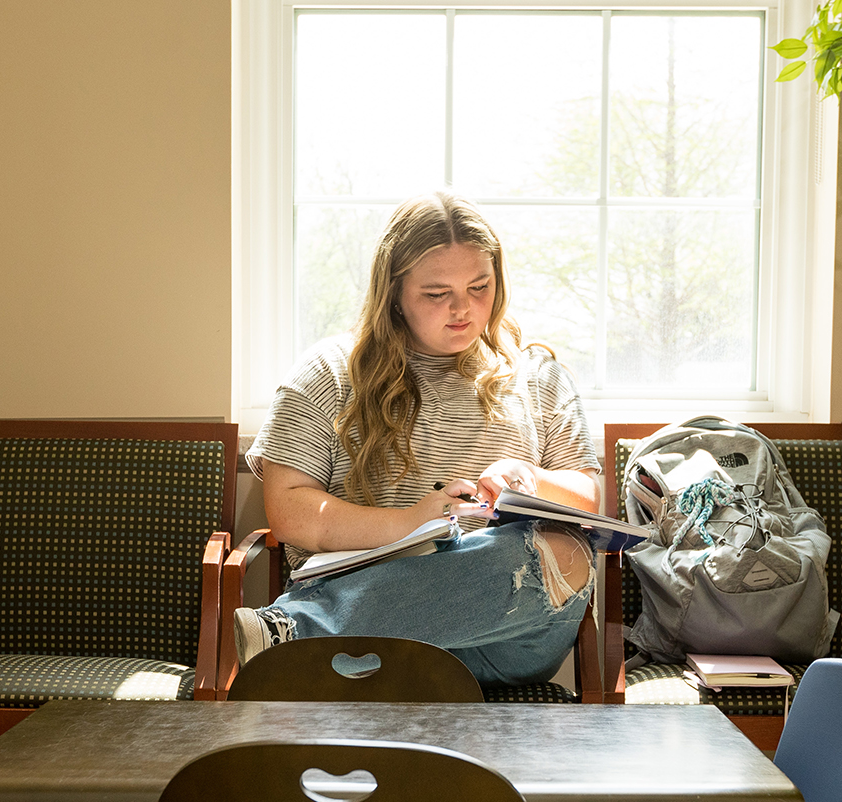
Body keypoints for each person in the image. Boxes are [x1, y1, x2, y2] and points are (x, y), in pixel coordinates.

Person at [236, 192, 601, 687]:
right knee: (399, 637)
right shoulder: (327, 372)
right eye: (436, 293)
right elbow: (290, 512)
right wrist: (411, 523)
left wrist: (531, 479)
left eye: (480, 287)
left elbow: (588, 495)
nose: (463, 309)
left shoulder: (539, 375)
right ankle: (333, 642)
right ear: (394, 294)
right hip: (373, 628)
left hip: (505, 640)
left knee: (566, 551)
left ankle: (298, 636)